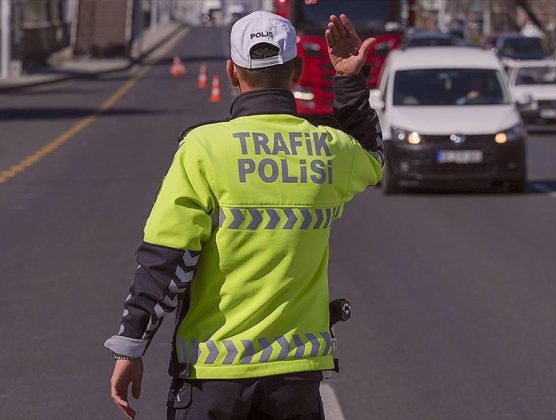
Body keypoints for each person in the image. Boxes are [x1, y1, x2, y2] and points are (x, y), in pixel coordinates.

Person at [104, 11, 383, 419]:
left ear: (233, 72)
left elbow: (167, 258)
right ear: (299, 71)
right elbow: (373, 157)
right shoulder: (326, 149)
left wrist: (132, 344)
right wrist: (349, 80)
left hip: (212, 378)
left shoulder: (204, 148)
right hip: (296, 380)